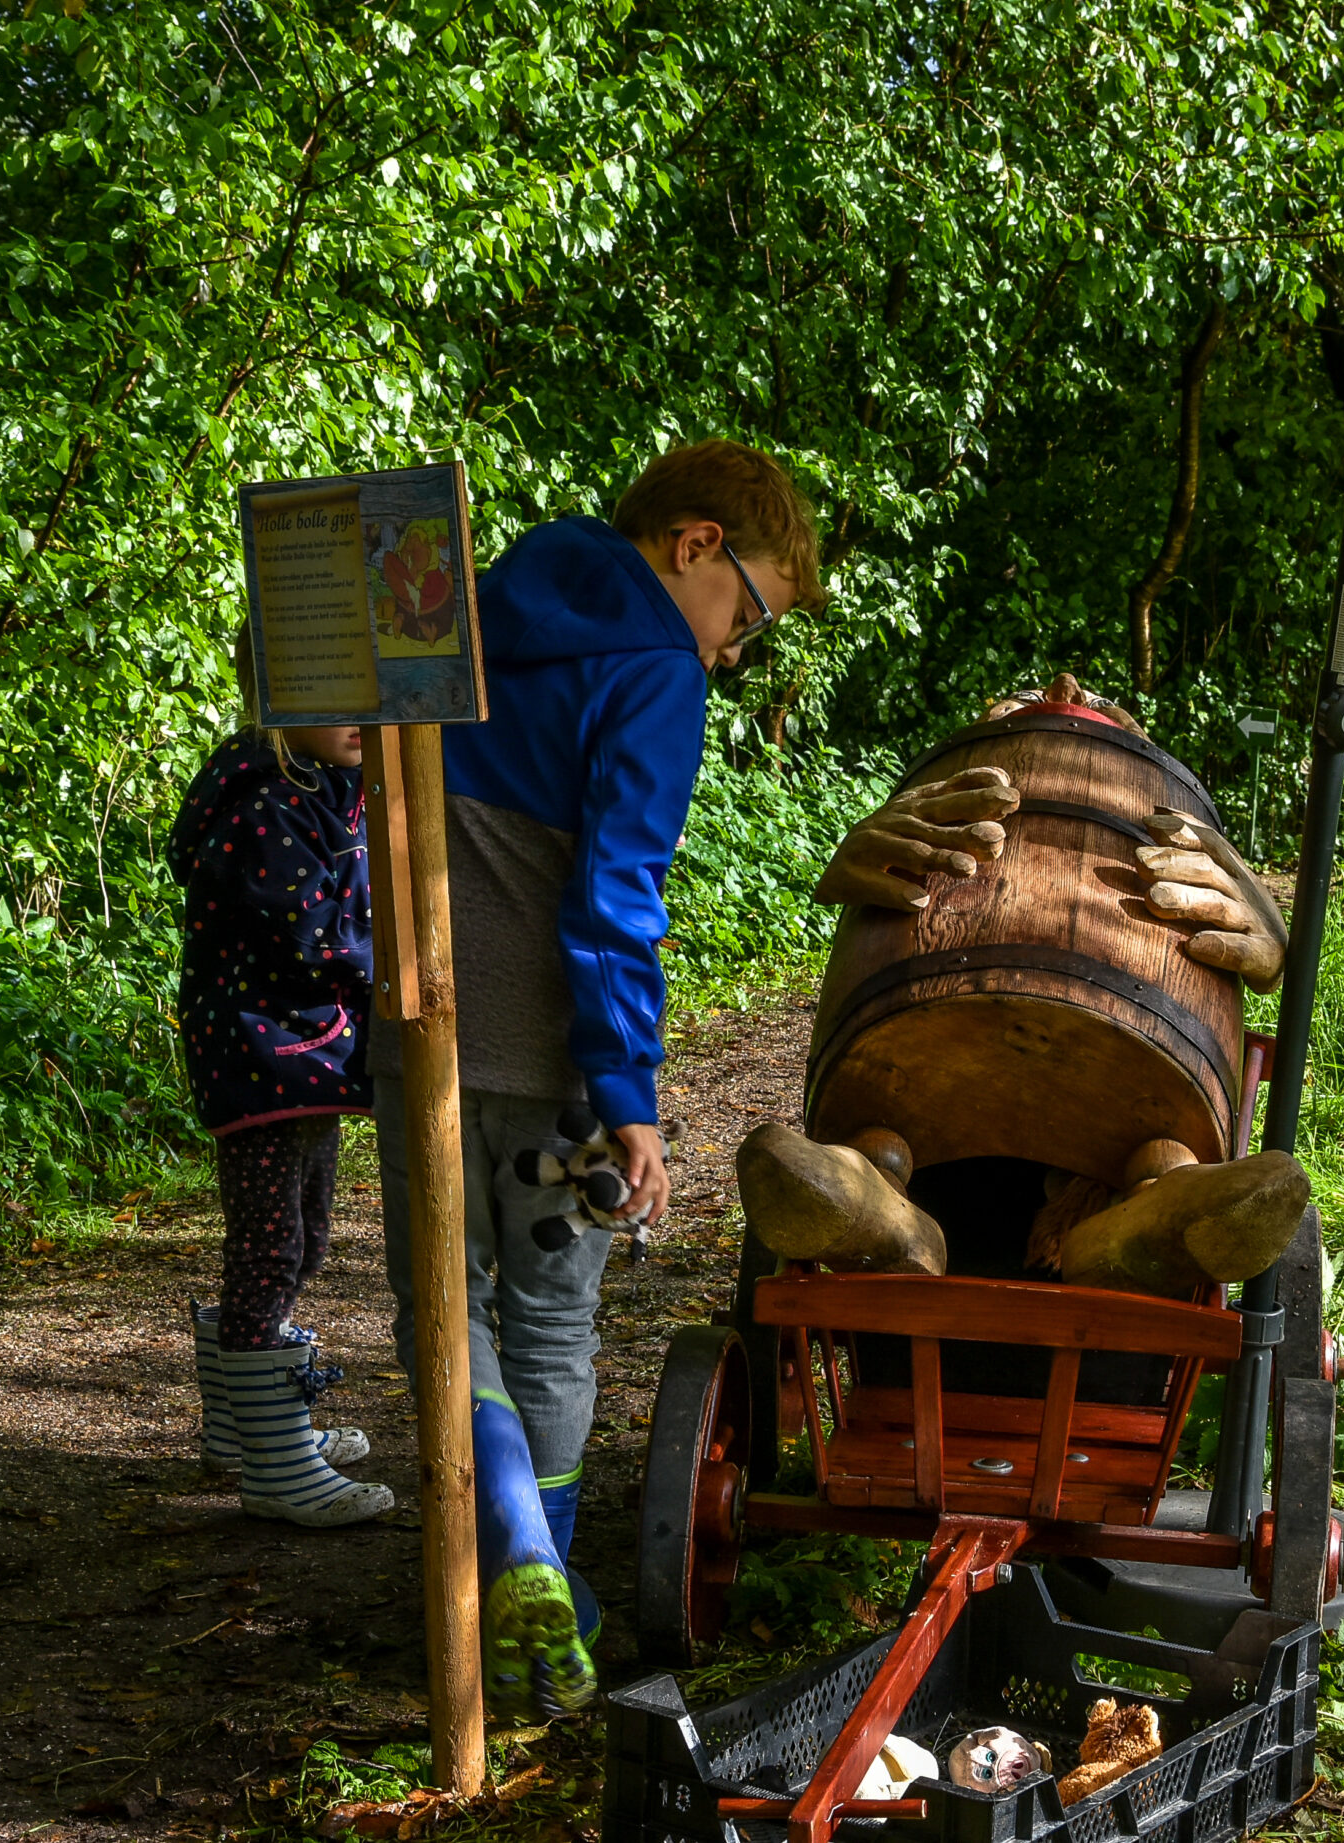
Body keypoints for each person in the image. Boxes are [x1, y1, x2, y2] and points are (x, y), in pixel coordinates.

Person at [370, 439, 833, 1723]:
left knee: (442, 1303)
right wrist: (630, 1095)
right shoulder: (654, 671)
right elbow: (615, 899)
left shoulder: (459, 605)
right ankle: (545, 1582)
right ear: (694, 545)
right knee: (555, 1319)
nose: (735, 650)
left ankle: (496, 1556)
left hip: (411, 1021)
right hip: (553, 1062)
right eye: (748, 611)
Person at [169, 664, 392, 1529]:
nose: (355, 712)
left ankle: (246, 1428)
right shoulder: (266, 802)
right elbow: (311, 932)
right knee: (273, 1244)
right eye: (329, 684)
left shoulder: (325, 784)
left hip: (304, 1055)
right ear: (271, 694)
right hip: (262, 1051)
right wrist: (398, 964)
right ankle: (273, 1468)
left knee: (300, 1237)